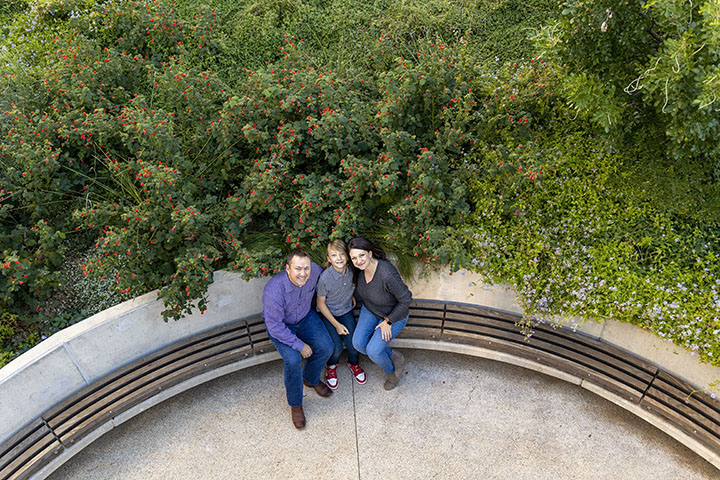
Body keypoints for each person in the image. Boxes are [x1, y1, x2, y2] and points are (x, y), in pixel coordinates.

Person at [262, 248, 334, 429]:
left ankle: (310, 379)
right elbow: (275, 327)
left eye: (306, 268)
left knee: (326, 347)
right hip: (282, 327)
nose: (303, 273)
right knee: (293, 360)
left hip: (305, 317)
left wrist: (346, 299)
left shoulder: (315, 271)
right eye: (298, 269)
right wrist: (300, 345)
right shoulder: (274, 290)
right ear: (288, 269)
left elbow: (331, 279)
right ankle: (296, 405)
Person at [348, 237, 412, 390]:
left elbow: (406, 300)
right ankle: (393, 355)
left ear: (370, 253)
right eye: (354, 258)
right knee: (357, 343)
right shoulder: (359, 271)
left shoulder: (386, 274)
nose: (358, 261)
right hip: (371, 310)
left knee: (374, 351)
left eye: (361, 255)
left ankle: (392, 373)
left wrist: (389, 321)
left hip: (394, 315)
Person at [316, 239, 366, 390]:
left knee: (353, 342)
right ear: (328, 259)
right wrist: (337, 325)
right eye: (334, 255)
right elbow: (320, 303)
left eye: (342, 254)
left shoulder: (351, 271)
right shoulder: (325, 278)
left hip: (345, 310)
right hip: (328, 314)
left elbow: (348, 287)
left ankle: (354, 363)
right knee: (336, 346)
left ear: (347, 256)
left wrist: (349, 296)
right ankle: (331, 366)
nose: (338, 258)